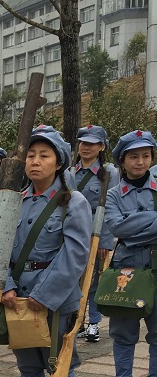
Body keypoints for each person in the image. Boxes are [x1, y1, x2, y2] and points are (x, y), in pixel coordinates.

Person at [0, 126, 92, 377]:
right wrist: (8, 287)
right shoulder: (17, 202)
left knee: (58, 363)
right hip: (21, 297)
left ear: (59, 162)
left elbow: (75, 254)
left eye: (44, 155)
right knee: (27, 364)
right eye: (31, 155)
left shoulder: (72, 201)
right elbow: (3, 247)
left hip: (55, 299)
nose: (35, 161)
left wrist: (44, 294)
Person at [103, 129, 157, 377]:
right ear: (122, 161)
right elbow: (116, 227)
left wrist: (132, 226)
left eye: (145, 156)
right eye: (134, 156)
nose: (140, 162)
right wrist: (152, 221)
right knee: (123, 332)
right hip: (125, 271)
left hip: (155, 269)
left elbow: (126, 228)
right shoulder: (113, 194)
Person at [72, 125, 119, 342]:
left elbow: (111, 208)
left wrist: (105, 240)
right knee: (74, 278)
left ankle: (93, 323)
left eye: (91, 143)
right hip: (72, 233)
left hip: (95, 233)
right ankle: (77, 320)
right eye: (82, 142)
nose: (85, 147)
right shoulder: (70, 172)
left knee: (93, 280)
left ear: (101, 147)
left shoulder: (109, 173)